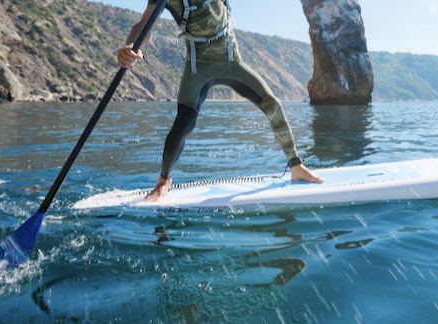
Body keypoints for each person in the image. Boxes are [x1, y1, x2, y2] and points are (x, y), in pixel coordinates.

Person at [117, 0, 322, 202]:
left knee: (273, 105)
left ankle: (296, 167)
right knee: (183, 124)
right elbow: (144, 25)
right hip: (198, 68)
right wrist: (131, 48)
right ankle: (163, 182)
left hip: (232, 61)